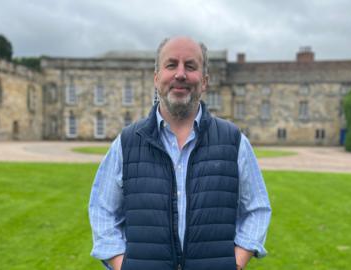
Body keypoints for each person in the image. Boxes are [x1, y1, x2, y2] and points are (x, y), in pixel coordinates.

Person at [89, 36, 272, 270]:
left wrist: (235, 263)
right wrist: (121, 264)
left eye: (191, 66)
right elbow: (101, 209)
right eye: (171, 64)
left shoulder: (234, 141)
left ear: (204, 81)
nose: (181, 74)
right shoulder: (126, 143)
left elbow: (257, 208)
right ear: (156, 78)